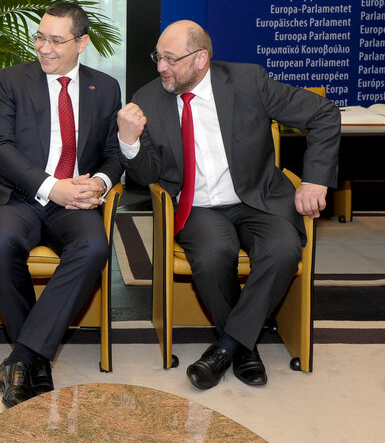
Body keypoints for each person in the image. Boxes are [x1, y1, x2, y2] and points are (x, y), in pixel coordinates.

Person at [118, 20, 340, 390]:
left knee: (283, 250)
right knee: (212, 256)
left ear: (201, 58)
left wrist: (315, 179)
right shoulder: (148, 98)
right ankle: (243, 346)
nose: (161, 68)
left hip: (257, 199)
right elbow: (148, 175)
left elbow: (323, 113)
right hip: (199, 206)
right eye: (158, 57)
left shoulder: (248, 81)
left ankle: (227, 347)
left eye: (171, 59)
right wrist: (129, 143)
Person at [0, 1, 124, 407]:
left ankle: (22, 358)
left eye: (56, 41)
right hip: (16, 196)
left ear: (82, 43)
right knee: (1, 244)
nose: (44, 48)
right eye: (40, 37)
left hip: (75, 202)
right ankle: (37, 360)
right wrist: (49, 186)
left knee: (95, 246)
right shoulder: (10, 81)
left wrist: (98, 181)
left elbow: (115, 155)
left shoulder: (105, 88)